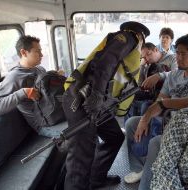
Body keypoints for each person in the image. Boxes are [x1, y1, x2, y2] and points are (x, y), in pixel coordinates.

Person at [62, 21, 150, 190]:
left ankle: (96, 178)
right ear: (141, 36)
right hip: (82, 100)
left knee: (115, 137)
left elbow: (119, 79)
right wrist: (96, 95)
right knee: (81, 156)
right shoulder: (129, 37)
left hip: (98, 104)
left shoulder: (130, 47)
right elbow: (105, 62)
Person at [124, 34, 188, 186]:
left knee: (155, 143)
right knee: (132, 124)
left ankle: (146, 184)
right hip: (168, 120)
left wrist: (167, 103)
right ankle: (141, 168)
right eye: (177, 53)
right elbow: (160, 101)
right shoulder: (173, 75)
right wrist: (145, 119)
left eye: (183, 54)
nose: (178, 58)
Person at [0, 35, 64, 137]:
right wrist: (23, 93)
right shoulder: (14, 77)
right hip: (44, 125)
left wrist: (54, 75)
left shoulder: (39, 69)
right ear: (23, 52)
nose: (41, 55)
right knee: (79, 133)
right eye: (37, 51)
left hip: (56, 113)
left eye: (41, 51)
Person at [125, 42, 177, 121]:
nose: (147, 59)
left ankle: (143, 128)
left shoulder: (172, 58)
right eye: (144, 57)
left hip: (167, 95)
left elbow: (177, 73)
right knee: (129, 98)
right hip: (152, 94)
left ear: (156, 49)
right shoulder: (148, 63)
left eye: (148, 54)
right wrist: (142, 66)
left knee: (145, 106)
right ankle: (132, 127)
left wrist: (159, 76)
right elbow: (141, 83)